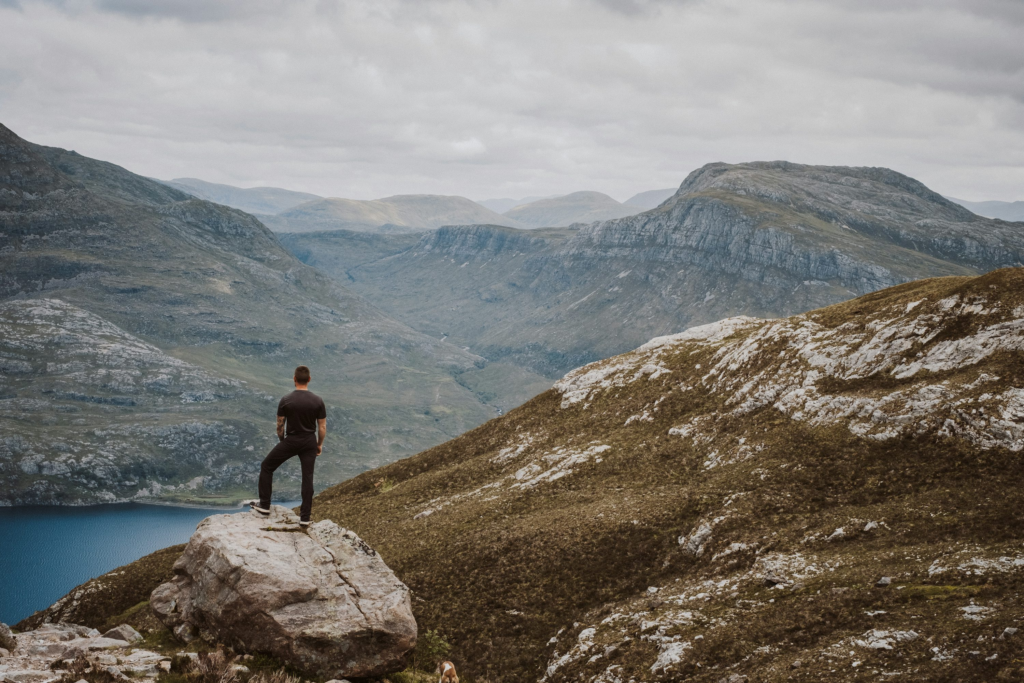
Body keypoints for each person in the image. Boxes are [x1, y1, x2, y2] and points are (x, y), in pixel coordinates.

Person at [250, 365, 326, 527]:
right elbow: (322, 427)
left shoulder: (286, 400)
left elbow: (280, 425)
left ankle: (264, 505)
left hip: (292, 440)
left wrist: (282, 441)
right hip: (309, 441)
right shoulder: (318, 400)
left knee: (267, 466)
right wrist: (319, 445)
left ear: (294, 379)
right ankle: (305, 518)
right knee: (307, 478)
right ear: (309, 379)